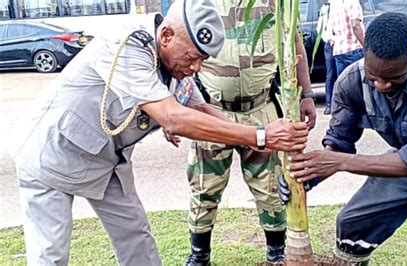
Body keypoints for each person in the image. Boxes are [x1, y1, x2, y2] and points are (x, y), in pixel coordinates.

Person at [12, 0, 309, 265]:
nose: (196, 67)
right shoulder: (128, 44)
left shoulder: (175, 65)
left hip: (105, 161)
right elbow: (172, 117)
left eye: (203, 61)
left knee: (136, 237)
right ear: (166, 35)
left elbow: (201, 110)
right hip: (52, 155)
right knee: (50, 254)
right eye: (193, 57)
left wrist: (258, 145)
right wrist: (259, 136)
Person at [280, 12, 407, 265]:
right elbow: (339, 143)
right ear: (364, 51)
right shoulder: (350, 81)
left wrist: (336, 162)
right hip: (405, 168)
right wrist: (309, 175)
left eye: (394, 78)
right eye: (374, 77)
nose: (382, 85)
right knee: (352, 226)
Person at [182, 1, 316, 265]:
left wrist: (308, 94)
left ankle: (276, 252)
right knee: (204, 186)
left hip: (261, 109)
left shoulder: (275, 4)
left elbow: (294, 43)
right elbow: (180, 51)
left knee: (270, 189)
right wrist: (176, 107)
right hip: (212, 112)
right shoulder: (199, 4)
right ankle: (199, 256)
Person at [331, 0, 364, 76]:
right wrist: (365, 46)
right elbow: (355, 25)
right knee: (360, 84)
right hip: (354, 49)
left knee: (344, 84)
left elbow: (332, 29)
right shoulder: (353, 2)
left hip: (339, 51)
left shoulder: (335, 4)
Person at [317, 0, 337, 115]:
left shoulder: (343, 5)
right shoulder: (325, 8)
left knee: (342, 75)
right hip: (329, 45)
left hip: (342, 43)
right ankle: (329, 104)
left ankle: (342, 103)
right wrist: (329, 39)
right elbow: (320, 29)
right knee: (330, 75)